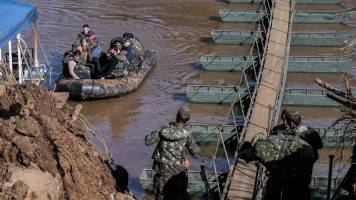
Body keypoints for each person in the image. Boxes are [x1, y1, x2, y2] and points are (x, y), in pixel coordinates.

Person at [239, 124, 323, 200]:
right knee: (299, 185)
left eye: (244, 157)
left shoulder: (259, 148)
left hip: (302, 154)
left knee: (292, 186)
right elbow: (276, 164)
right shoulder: (262, 144)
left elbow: (277, 170)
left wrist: (272, 173)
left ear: (248, 151)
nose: (246, 161)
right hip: (304, 152)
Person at [144, 107, 202, 200]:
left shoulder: (162, 129)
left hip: (162, 170)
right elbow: (196, 153)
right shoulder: (187, 134)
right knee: (178, 195)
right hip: (178, 172)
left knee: (160, 194)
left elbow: (147, 141)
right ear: (187, 120)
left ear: (176, 117)